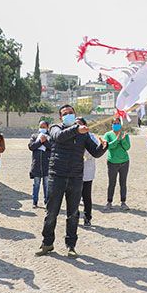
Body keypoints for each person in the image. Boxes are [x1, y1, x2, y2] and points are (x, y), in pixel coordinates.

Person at [36, 105, 107, 258]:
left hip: (75, 177)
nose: (68, 115)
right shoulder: (55, 128)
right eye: (65, 113)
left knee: (73, 213)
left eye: (71, 113)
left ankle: (71, 245)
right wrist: (76, 129)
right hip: (57, 176)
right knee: (51, 212)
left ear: (75, 115)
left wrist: (103, 147)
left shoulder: (83, 133)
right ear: (60, 117)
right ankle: (47, 243)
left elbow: (95, 152)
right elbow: (59, 137)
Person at [103, 117, 131, 211]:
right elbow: (108, 146)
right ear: (111, 124)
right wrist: (117, 140)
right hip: (112, 162)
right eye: (114, 123)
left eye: (118, 123)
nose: (116, 124)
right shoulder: (108, 134)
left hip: (124, 162)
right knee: (112, 183)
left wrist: (122, 140)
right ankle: (109, 202)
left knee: (123, 183)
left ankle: (123, 202)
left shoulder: (125, 134)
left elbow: (127, 147)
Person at [78, 117, 98, 227]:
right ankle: (74, 218)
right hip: (73, 171)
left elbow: (94, 151)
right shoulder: (70, 136)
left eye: (80, 124)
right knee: (74, 197)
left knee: (86, 196)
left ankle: (87, 218)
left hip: (87, 170)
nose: (78, 126)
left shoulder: (91, 137)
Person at [28, 120, 52, 208]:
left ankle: (47, 202)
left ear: (47, 127)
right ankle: (35, 202)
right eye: (40, 127)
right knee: (36, 184)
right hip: (36, 164)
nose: (42, 128)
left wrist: (45, 141)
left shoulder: (50, 136)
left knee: (47, 185)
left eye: (44, 127)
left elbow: (52, 147)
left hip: (47, 164)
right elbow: (31, 147)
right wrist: (40, 141)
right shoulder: (34, 136)